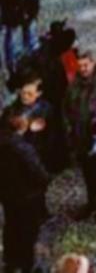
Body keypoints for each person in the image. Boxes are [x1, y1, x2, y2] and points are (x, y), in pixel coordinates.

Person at [63, 50, 96, 220]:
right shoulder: (73, 85)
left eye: (86, 65)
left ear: (93, 63)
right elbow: (65, 109)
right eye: (80, 66)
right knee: (88, 173)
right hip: (81, 138)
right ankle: (93, 201)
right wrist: (69, 130)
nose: (83, 69)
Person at [0, 109, 49, 273]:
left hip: (7, 194)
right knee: (28, 231)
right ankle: (28, 265)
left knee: (11, 226)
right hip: (28, 196)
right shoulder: (22, 148)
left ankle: (11, 261)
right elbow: (39, 173)